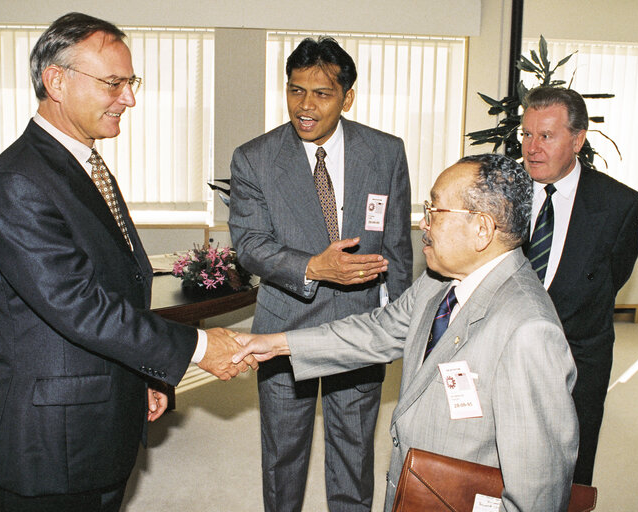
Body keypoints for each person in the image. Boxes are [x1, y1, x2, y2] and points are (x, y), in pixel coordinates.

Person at [0, 12, 255, 512]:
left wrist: (142, 373)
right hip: (53, 444)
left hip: (100, 420)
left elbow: (120, 283)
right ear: (56, 81)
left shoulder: (83, 163)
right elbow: (81, 309)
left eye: (130, 82)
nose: (129, 98)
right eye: (113, 83)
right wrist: (198, 345)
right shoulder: (18, 182)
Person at [233, 153, 579, 512]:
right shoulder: (438, 282)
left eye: (435, 212)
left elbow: (539, 492)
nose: (422, 224)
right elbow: (376, 331)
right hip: (416, 490)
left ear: (482, 229)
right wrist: (277, 343)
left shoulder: (529, 330)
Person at [228, 37, 413, 511]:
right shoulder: (254, 158)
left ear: (347, 97)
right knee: (283, 455)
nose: (305, 106)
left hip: (358, 327)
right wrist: (314, 267)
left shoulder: (386, 152)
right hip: (284, 326)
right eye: (295, 91)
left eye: (321, 94)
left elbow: (396, 244)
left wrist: (403, 325)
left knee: (353, 453)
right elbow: (249, 245)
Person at [520, 86, 638, 485]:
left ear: (577, 139)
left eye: (546, 136)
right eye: (526, 134)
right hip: (505, 345)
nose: (532, 148)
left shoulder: (617, 204)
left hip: (579, 353)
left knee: (570, 463)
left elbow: (613, 276)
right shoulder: (500, 190)